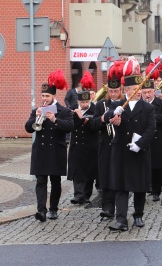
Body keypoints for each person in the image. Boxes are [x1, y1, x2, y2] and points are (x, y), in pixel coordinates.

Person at [104, 73, 156, 231]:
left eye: (139, 88)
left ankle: (138, 215)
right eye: (134, 89)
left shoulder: (148, 108)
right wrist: (113, 113)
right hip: (121, 150)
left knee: (139, 185)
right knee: (121, 186)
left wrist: (140, 144)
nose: (138, 91)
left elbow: (151, 128)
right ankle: (121, 219)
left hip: (139, 151)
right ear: (126, 90)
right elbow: (105, 117)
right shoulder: (119, 104)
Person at [25, 70, 74, 222]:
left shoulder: (63, 111)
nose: (44, 99)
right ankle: (41, 210)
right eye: (43, 96)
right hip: (40, 150)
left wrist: (55, 120)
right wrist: (36, 116)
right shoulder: (37, 110)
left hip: (56, 151)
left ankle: (53, 209)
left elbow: (70, 126)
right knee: (40, 181)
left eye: (47, 96)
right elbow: (28, 128)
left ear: (53, 96)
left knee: (55, 181)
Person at [93, 63, 125, 221]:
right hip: (105, 145)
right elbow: (92, 124)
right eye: (111, 91)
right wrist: (103, 118)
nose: (113, 94)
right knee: (105, 176)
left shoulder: (125, 104)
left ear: (121, 91)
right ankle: (107, 208)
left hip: (120, 145)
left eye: (116, 91)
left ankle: (120, 208)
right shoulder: (100, 105)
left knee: (117, 176)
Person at [67, 72, 99, 205]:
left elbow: (96, 125)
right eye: (82, 102)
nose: (84, 104)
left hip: (90, 146)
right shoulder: (73, 110)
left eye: (86, 102)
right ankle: (78, 195)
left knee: (89, 172)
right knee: (77, 171)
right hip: (76, 146)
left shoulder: (95, 110)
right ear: (78, 102)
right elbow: (69, 125)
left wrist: (83, 118)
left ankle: (86, 195)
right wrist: (73, 115)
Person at [141, 79, 162, 202]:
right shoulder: (139, 104)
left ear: (154, 91)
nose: (147, 95)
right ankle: (147, 186)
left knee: (158, 166)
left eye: (149, 92)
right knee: (146, 165)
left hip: (159, 138)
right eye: (144, 92)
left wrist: (152, 118)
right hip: (145, 139)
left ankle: (156, 190)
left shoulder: (161, 103)